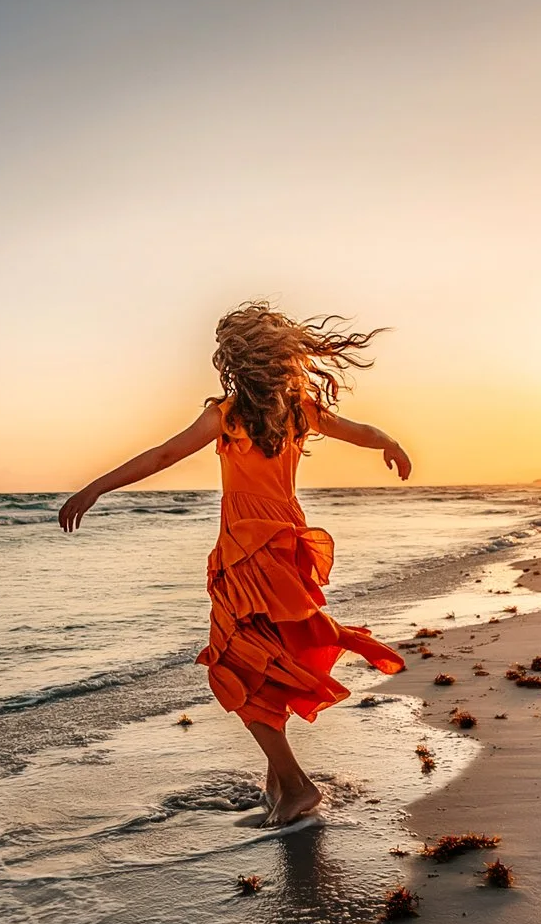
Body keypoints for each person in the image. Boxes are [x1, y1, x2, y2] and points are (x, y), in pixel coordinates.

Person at [58, 302, 411, 823]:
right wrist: (393, 444)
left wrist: (94, 487)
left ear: (234, 362)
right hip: (286, 545)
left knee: (234, 664)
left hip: (248, 553)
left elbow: (161, 456)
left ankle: (295, 785)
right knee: (268, 657)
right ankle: (278, 782)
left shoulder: (225, 415)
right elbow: (360, 430)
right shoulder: (301, 412)